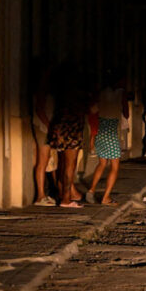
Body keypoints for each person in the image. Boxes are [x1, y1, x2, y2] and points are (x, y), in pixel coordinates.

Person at [85, 70, 128, 206]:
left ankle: (91, 190)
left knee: (102, 163)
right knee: (115, 166)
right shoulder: (121, 93)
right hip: (112, 131)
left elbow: (92, 109)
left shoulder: (101, 92)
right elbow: (126, 113)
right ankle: (106, 197)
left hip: (101, 130)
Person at [47, 70, 87, 208]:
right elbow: (85, 109)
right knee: (70, 165)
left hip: (60, 126)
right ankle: (66, 198)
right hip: (72, 127)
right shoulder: (76, 94)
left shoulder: (60, 92)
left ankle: (64, 194)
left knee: (63, 163)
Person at [32, 65, 56, 206]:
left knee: (45, 161)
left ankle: (43, 194)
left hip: (44, 127)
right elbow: (40, 109)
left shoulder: (44, 88)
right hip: (43, 128)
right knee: (42, 162)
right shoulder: (42, 89)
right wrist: (49, 126)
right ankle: (40, 195)